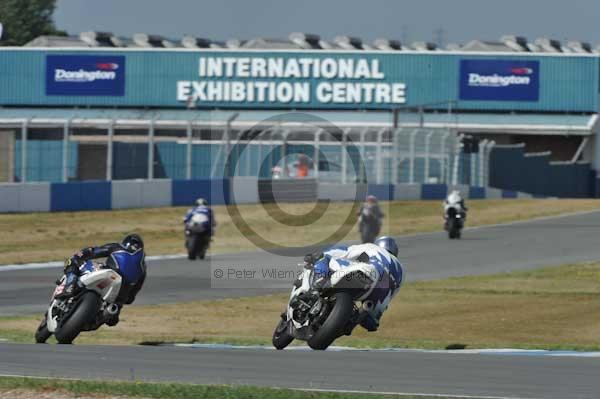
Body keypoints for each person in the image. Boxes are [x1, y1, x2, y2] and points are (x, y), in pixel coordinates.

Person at [305, 236, 403, 332]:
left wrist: (323, 254)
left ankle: (319, 280)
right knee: (370, 322)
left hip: (368, 272)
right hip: (379, 296)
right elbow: (391, 295)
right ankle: (353, 320)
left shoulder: (374, 248)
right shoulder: (401, 270)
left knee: (324, 257)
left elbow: (347, 252)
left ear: (380, 244)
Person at [58, 234, 147, 326]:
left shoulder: (117, 247)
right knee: (113, 318)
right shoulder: (143, 269)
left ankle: (70, 286)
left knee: (72, 263)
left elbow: (94, 251)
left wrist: (79, 256)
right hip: (119, 294)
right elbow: (131, 297)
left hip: (108, 273)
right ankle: (103, 316)